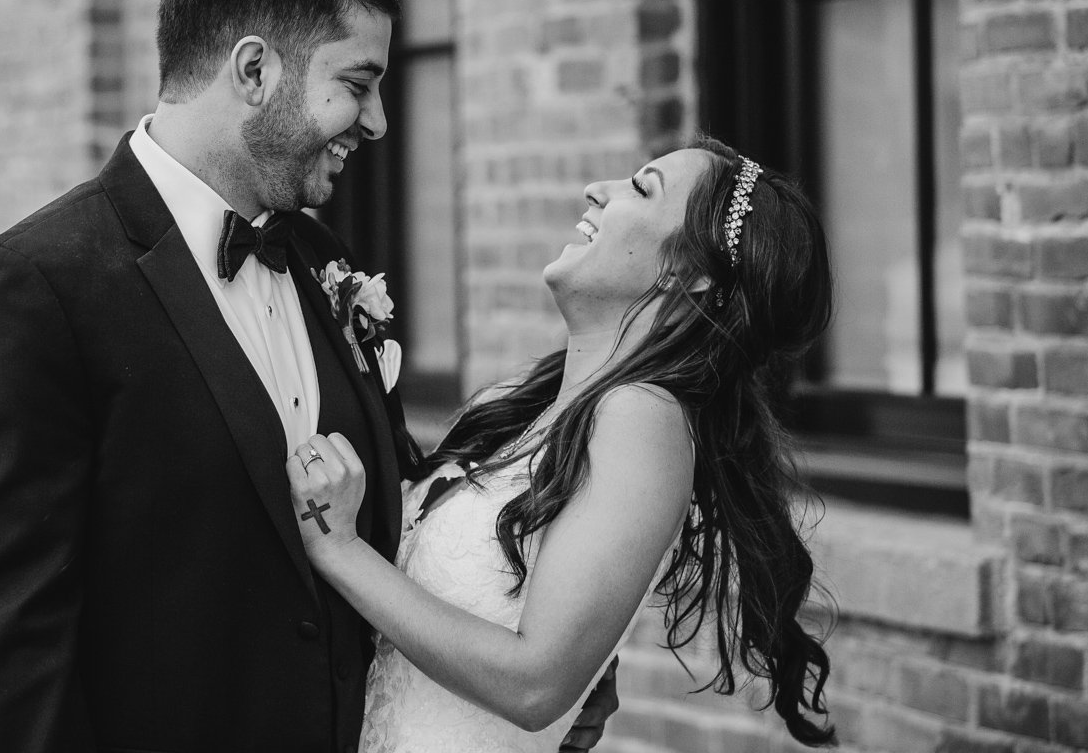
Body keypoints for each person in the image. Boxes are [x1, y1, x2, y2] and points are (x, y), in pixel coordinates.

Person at [0, 0, 615, 753]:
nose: (378, 121)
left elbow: (392, 511)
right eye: (357, 84)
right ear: (254, 68)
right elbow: (3, 655)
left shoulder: (321, 256)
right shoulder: (30, 290)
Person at [286, 138, 839, 751]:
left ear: (689, 271)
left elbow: (535, 688)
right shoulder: (533, 403)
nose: (597, 190)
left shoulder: (641, 418)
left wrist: (339, 549)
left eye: (641, 188)